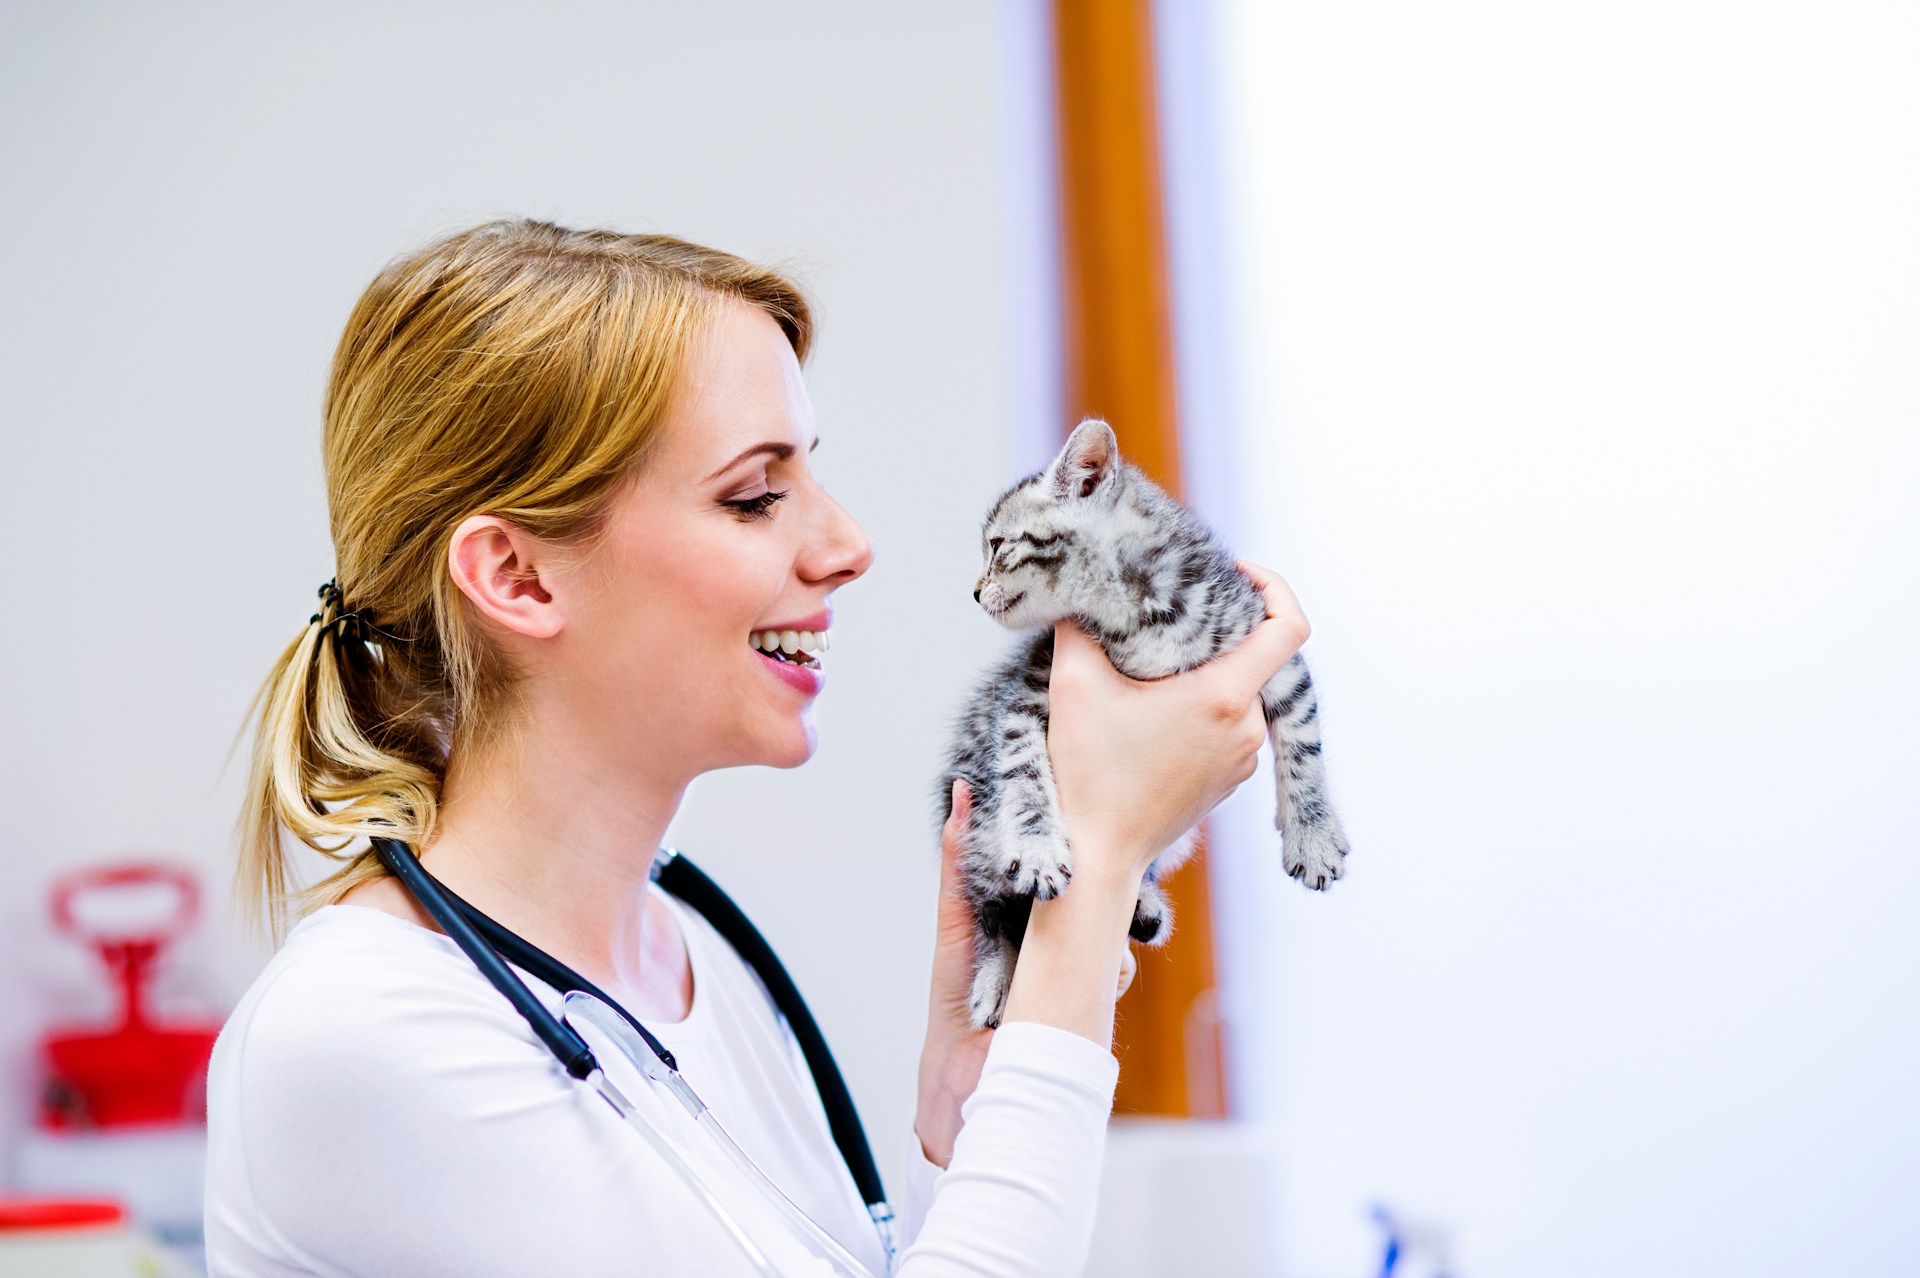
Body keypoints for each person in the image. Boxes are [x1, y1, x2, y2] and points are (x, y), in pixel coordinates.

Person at [204, 219, 1309, 1276]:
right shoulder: (361, 1037)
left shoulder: (695, 962)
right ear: (517, 578)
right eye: (755, 495)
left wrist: (962, 1117)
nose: (847, 544)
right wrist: (1095, 869)